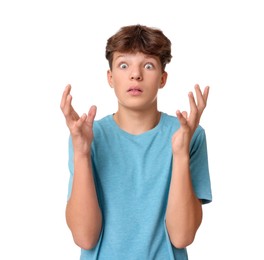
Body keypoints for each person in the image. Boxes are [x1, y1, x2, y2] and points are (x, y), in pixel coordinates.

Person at [60, 24, 212, 260]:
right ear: (110, 77)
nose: (135, 74)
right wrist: (81, 153)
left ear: (162, 78)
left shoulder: (189, 134)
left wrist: (180, 154)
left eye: (148, 65)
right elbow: (84, 237)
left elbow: (182, 236)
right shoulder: (87, 135)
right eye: (123, 65)